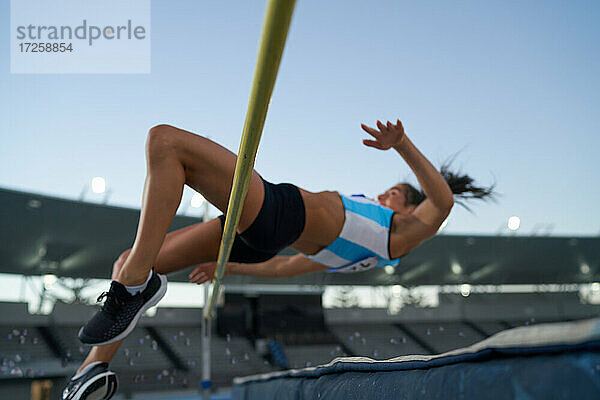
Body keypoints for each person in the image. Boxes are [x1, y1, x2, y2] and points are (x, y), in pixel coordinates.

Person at [62, 120, 494, 399]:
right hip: (266, 236)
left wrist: (402, 145)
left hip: (279, 212)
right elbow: (287, 267)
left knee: (165, 142)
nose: (383, 195)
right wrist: (227, 266)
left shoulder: (399, 234)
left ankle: (136, 286)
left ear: (408, 208)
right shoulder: (360, 252)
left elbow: (443, 200)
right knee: (129, 259)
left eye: (393, 195)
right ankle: (93, 370)